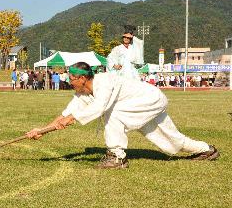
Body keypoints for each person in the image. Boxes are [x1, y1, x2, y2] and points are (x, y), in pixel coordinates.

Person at [26, 62, 219, 169]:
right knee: (170, 143)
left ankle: (117, 157)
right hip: (137, 107)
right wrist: (42, 130)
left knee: (112, 113)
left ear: (83, 78)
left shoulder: (105, 81)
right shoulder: (82, 93)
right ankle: (207, 150)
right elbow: (66, 113)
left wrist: (72, 119)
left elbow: (100, 106)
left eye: (72, 79)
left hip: (151, 99)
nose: (69, 82)